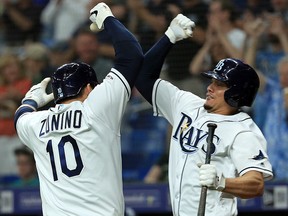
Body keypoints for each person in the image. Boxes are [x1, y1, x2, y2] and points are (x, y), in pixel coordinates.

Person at [135, 14, 273, 215]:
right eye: (212, 81)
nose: (210, 87)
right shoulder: (187, 104)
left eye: (219, 84)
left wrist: (221, 182)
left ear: (236, 93)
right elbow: (143, 77)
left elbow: (256, 184)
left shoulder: (243, 131)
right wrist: (169, 37)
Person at [14, 2, 143, 216]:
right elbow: (132, 55)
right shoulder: (98, 109)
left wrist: (31, 100)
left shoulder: (37, 123)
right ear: (89, 88)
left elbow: (20, 117)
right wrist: (109, 20)